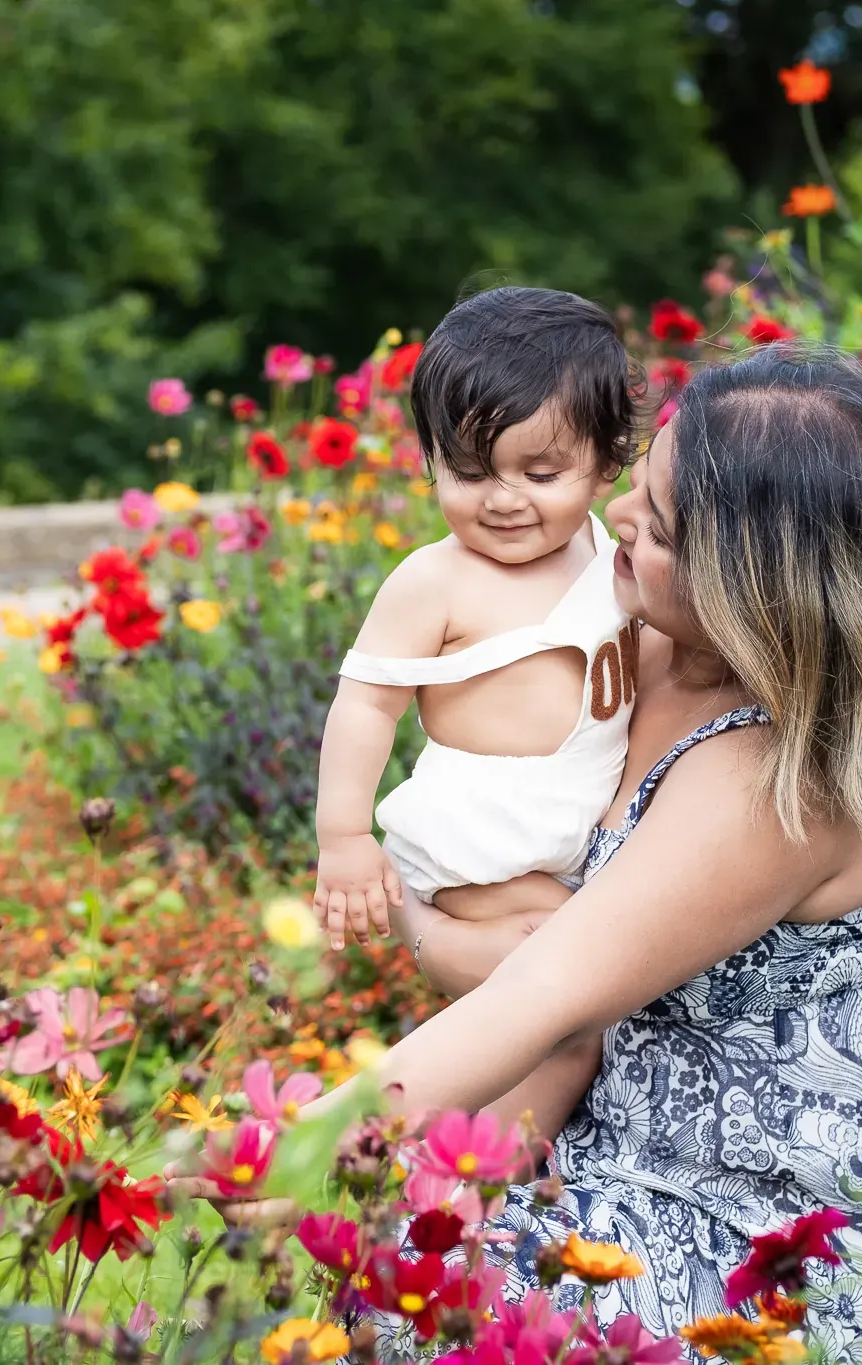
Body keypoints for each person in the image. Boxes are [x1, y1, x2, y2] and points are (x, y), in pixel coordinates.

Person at [328, 343, 862, 1357]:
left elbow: (545, 989)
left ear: (753, 591)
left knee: (424, 1282)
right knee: (401, 1244)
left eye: (654, 525)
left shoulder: (773, 788)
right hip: (596, 1133)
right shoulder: (643, 645)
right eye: (638, 489)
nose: (614, 517)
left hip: (751, 1244)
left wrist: (295, 1145)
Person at [312, 286, 639, 1137]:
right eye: (467, 470)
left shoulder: (612, 556)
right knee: (566, 999)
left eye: (540, 473)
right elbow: (365, 705)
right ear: (429, 460)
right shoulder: (436, 579)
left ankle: (496, 1163)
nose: (502, 499)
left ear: (608, 462)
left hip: (572, 823)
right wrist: (344, 839)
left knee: (565, 1014)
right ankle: (474, 1185)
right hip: (487, 837)